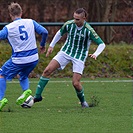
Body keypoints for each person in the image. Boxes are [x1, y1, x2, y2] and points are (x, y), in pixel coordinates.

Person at [34, 8, 105, 108]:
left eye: (77, 19)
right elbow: (59, 33)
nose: (75, 21)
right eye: (74, 18)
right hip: (66, 52)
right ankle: (37, 96)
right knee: (47, 70)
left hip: (79, 56)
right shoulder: (69, 24)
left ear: (84, 18)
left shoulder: (88, 30)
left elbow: (101, 44)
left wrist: (96, 54)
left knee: (76, 83)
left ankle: (83, 102)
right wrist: (51, 46)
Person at [0, 2, 48, 111]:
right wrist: (42, 44)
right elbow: (44, 32)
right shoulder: (31, 22)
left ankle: (0, 100)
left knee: (1, 74)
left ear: (10, 15)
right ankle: (26, 91)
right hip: (33, 58)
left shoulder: (9, 27)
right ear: (21, 12)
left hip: (19, 59)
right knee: (23, 75)